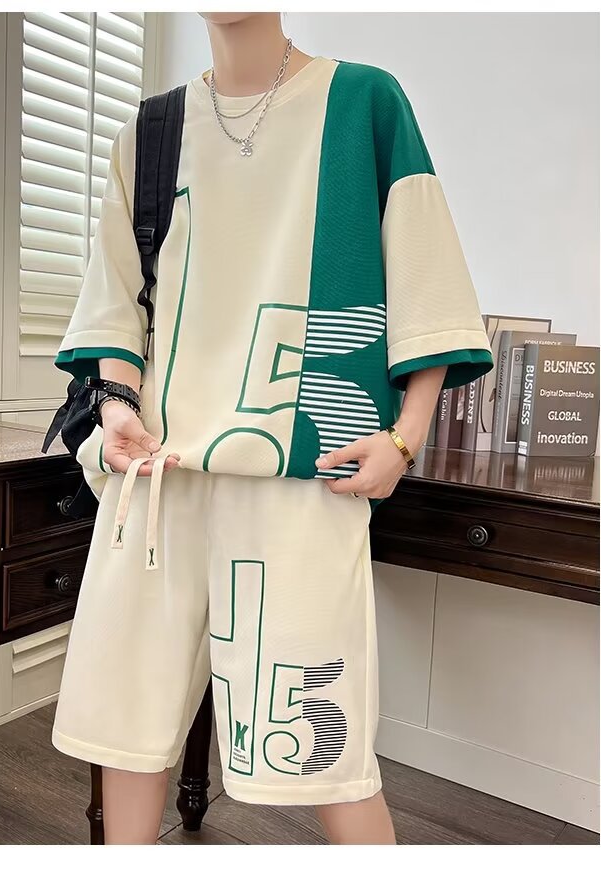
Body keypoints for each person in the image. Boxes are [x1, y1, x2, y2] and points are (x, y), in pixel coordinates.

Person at [50, 12, 492, 845]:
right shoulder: (150, 132)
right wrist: (115, 408)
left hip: (301, 483)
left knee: (325, 748)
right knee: (127, 734)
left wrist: (404, 437)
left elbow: (425, 277)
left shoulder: (365, 103)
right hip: (156, 484)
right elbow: (117, 304)